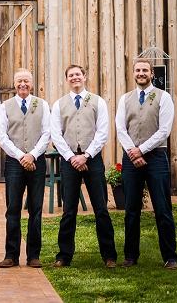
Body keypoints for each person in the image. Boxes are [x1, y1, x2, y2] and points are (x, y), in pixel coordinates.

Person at [49, 63, 117, 268]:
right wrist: (72, 158)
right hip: (69, 161)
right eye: (71, 75)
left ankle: (109, 256)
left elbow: (102, 132)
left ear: (84, 77)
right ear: (67, 79)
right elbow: (56, 135)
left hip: (92, 159)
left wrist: (86, 156)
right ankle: (63, 257)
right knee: (69, 211)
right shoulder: (59, 104)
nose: (75, 78)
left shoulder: (98, 102)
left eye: (78, 74)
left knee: (101, 209)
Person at [115, 59, 177, 269]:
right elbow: (120, 129)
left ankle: (170, 257)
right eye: (137, 70)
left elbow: (164, 131)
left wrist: (141, 150)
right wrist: (133, 153)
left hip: (156, 158)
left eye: (145, 70)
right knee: (131, 210)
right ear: (133, 73)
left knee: (162, 208)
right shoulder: (125, 99)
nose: (141, 73)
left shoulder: (164, 97)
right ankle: (130, 256)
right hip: (131, 158)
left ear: (151, 73)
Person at [0, 69, 50, 269]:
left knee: (36, 209)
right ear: (14, 83)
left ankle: (33, 255)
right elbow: (2, 136)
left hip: (37, 161)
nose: (23, 84)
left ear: (32, 83)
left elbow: (47, 133)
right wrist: (21, 156)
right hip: (14, 162)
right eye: (19, 81)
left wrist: (32, 155)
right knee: (13, 209)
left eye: (26, 81)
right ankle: (11, 255)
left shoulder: (42, 104)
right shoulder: (5, 107)